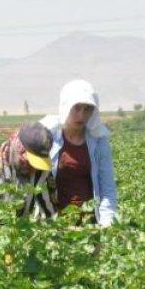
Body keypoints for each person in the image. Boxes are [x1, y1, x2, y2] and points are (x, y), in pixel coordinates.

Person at [41, 79, 119, 227]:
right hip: (54, 225)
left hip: (89, 224)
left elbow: (107, 189)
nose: (81, 115)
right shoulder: (48, 136)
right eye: (76, 108)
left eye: (87, 109)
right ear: (66, 107)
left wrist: (107, 226)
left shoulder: (98, 141)